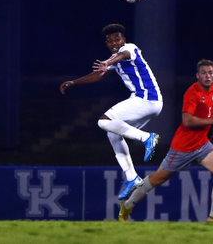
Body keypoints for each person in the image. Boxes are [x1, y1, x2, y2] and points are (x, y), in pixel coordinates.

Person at [118, 59, 213, 223]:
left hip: (202, 143)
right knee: (158, 178)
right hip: (183, 147)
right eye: (204, 73)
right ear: (198, 75)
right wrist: (211, 122)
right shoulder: (192, 93)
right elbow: (187, 121)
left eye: (211, 72)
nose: (208, 76)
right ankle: (127, 205)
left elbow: (211, 105)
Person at [60, 23, 162, 200]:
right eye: (110, 40)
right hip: (146, 103)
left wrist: (107, 62)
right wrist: (74, 82)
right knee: (113, 133)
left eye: (117, 38)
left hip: (146, 98)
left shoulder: (129, 48)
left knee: (103, 121)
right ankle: (132, 178)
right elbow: (99, 75)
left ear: (123, 39)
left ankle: (146, 137)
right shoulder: (115, 59)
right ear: (106, 43)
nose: (114, 42)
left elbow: (123, 55)